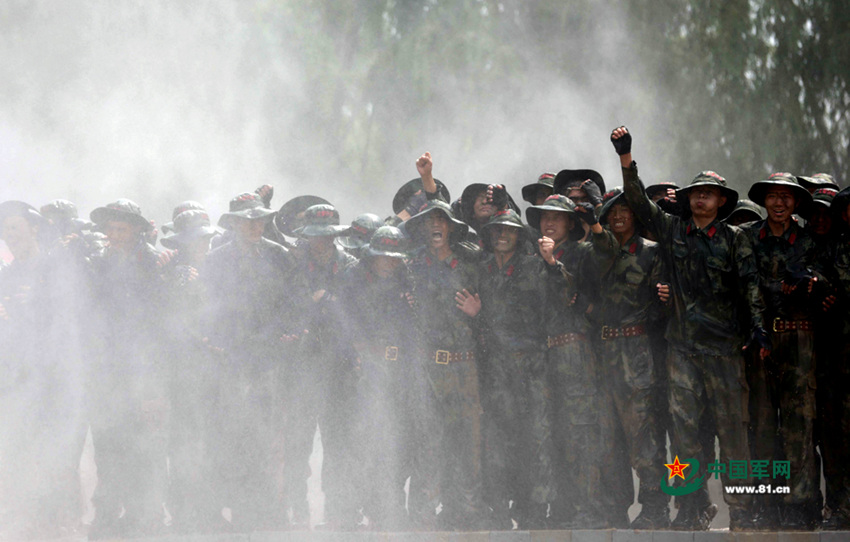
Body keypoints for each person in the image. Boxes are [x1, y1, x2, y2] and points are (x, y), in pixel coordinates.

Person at [614, 125, 767, 531]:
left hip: (723, 350)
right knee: (684, 437)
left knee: (734, 435)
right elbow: (639, 206)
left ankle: (744, 512)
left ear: (721, 201)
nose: (700, 197)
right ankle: (689, 507)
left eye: (708, 193)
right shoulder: (673, 230)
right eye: (695, 192)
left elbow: (751, 287)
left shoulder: (736, 240)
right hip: (682, 349)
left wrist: (758, 330)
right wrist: (626, 158)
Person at [204, 192, 306, 531]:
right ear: (233, 223)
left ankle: (269, 511)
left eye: (259, 220)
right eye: (247, 220)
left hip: (269, 360)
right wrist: (217, 342)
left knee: (271, 437)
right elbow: (205, 307)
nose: (254, 226)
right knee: (232, 435)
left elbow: (294, 303)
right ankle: (238, 510)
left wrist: (283, 333)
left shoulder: (279, 256)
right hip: (231, 360)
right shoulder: (215, 260)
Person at [525, 194, 614, 528]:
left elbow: (572, 295)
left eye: (557, 218)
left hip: (574, 351)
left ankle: (589, 509)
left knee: (582, 433)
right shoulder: (530, 256)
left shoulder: (582, 253)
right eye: (545, 217)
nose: (549, 223)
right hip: (542, 354)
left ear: (570, 224)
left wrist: (552, 263)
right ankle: (557, 508)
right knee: (547, 432)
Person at [741, 173, 824, 529]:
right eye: (772, 196)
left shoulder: (810, 239)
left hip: (799, 340)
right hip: (760, 342)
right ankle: (764, 504)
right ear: (764, 201)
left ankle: (798, 505)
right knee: (760, 425)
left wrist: (815, 283)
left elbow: (825, 277)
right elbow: (743, 283)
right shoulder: (746, 238)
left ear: (796, 202)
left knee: (798, 425)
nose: (779, 203)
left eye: (786, 197)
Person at [86, 199, 171, 538]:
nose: (115, 235)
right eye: (111, 229)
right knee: (107, 450)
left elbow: (164, 331)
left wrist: (155, 389)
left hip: (145, 375)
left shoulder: (156, 265)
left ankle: (147, 516)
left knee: (147, 452)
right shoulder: (97, 263)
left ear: (137, 230)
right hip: (107, 375)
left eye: (122, 229)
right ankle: (107, 516)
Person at [405, 200, 491, 530]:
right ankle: (424, 515)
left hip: (465, 367)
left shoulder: (471, 266)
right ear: (422, 229)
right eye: (429, 221)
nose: (435, 225)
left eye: (442, 220)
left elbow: (494, 321)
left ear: (452, 227)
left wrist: (477, 313)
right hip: (428, 368)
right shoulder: (411, 267)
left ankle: (466, 511)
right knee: (428, 440)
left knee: (468, 440)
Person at [588, 193, 672, 529]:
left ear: (635, 216)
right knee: (607, 435)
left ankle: (655, 506)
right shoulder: (596, 253)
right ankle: (615, 507)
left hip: (636, 350)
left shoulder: (651, 252)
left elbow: (662, 306)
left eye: (625, 210)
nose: (619, 215)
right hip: (603, 350)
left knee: (643, 433)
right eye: (612, 211)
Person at [339, 226, 424, 530]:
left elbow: (413, 328)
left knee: (398, 442)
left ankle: (389, 507)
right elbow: (343, 322)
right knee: (361, 442)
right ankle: (349, 511)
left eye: (394, 257)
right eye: (383, 256)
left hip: (398, 371)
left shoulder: (407, 280)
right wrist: (358, 353)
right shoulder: (352, 278)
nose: (389, 262)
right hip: (362, 371)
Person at [476, 209, 556, 529]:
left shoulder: (536, 268)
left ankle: (534, 510)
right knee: (497, 439)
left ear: (519, 234)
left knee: (536, 439)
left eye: (508, 230)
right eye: (496, 230)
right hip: (495, 366)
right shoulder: (480, 269)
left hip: (531, 365)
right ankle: (498, 508)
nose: (501, 235)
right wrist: (475, 313)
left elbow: (557, 302)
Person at [290, 203, 360, 530]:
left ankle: (338, 513)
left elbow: (359, 311)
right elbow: (282, 304)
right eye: (315, 235)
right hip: (301, 368)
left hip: (339, 368)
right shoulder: (291, 262)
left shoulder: (350, 266)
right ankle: (297, 511)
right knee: (296, 442)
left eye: (326, 235)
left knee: (340, 444)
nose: (320, 241)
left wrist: (328, 302)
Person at [159, 208, 224, 533]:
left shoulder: (217, 268)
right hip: (184, 374)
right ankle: (184, 514)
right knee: (184, 446)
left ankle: (210, 511)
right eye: (195, 239)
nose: (202, 244)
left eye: (205, 238)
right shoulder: (172, 274)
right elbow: (171, 326)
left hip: (216, 373)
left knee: (214, 444)